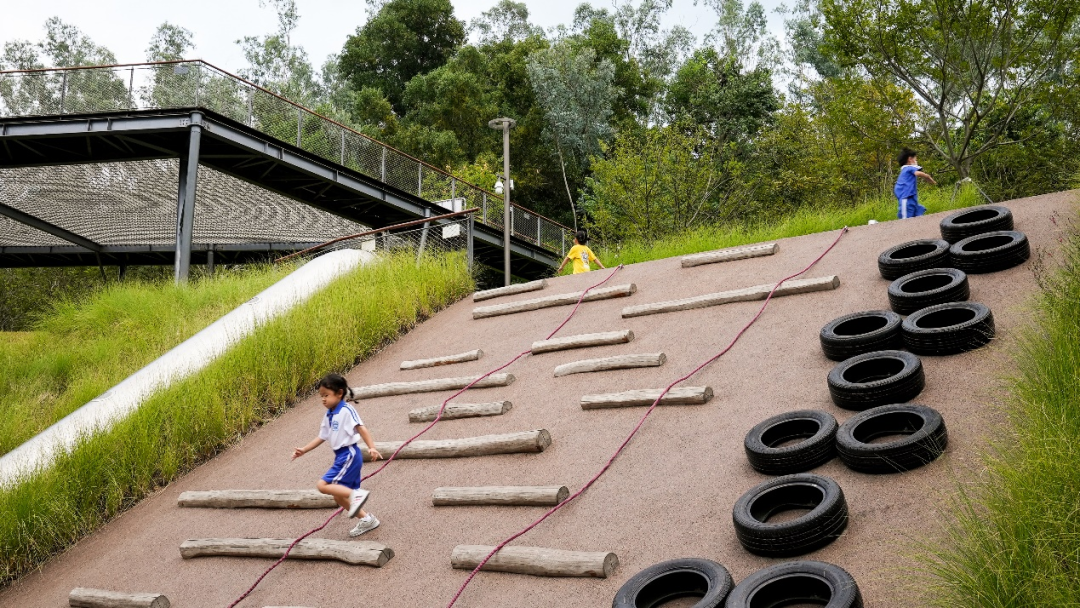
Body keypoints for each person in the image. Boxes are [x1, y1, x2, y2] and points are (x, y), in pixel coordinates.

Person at [292, 373, 383, 537]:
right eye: (321, 396)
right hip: (341, 456)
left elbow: (361, 428)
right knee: (338, 497)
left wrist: (372, 447)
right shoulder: (329, 415)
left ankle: (357, 495)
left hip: (349, 454)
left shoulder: (347, 410)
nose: (323, 400)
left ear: (339, 393)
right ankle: (367, 519)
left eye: (326, 395)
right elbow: (321, 436)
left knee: (322, 485)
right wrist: (304, 450)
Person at [894, 148, 937, 219]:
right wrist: (928, 177)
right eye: (916, 159)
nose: (916, 161)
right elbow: (918, 173)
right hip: (906, 199)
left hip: (912, 199)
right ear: (910, 159)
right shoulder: (908, 168)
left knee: (918, 215)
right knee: (905, 221)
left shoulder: (906, 170)